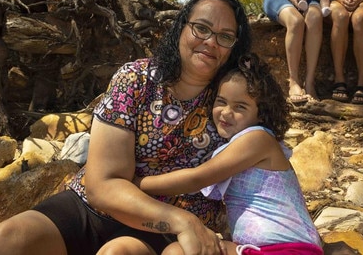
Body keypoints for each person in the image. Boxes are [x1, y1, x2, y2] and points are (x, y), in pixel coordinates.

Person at [0, 0, 252, 255]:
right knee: (6, 239)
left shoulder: (235, 102)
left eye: (225, 36)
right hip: (94, 209)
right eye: (201, 28)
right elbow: (102, 186)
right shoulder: (137, 79)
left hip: (166, 233)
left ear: (234, 47)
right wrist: (183, 221)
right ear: (181, 28)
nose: (211, 42)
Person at [136, 53, 323, 255]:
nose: (226, 112)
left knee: (178, 251)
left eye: (240, 107)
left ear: (262, 113)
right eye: (221, 101)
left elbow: (196, 178)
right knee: (179, 249)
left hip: (289, 250)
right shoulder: (241, 144)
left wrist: (137, 183)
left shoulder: (258, 139)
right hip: (258, 249)